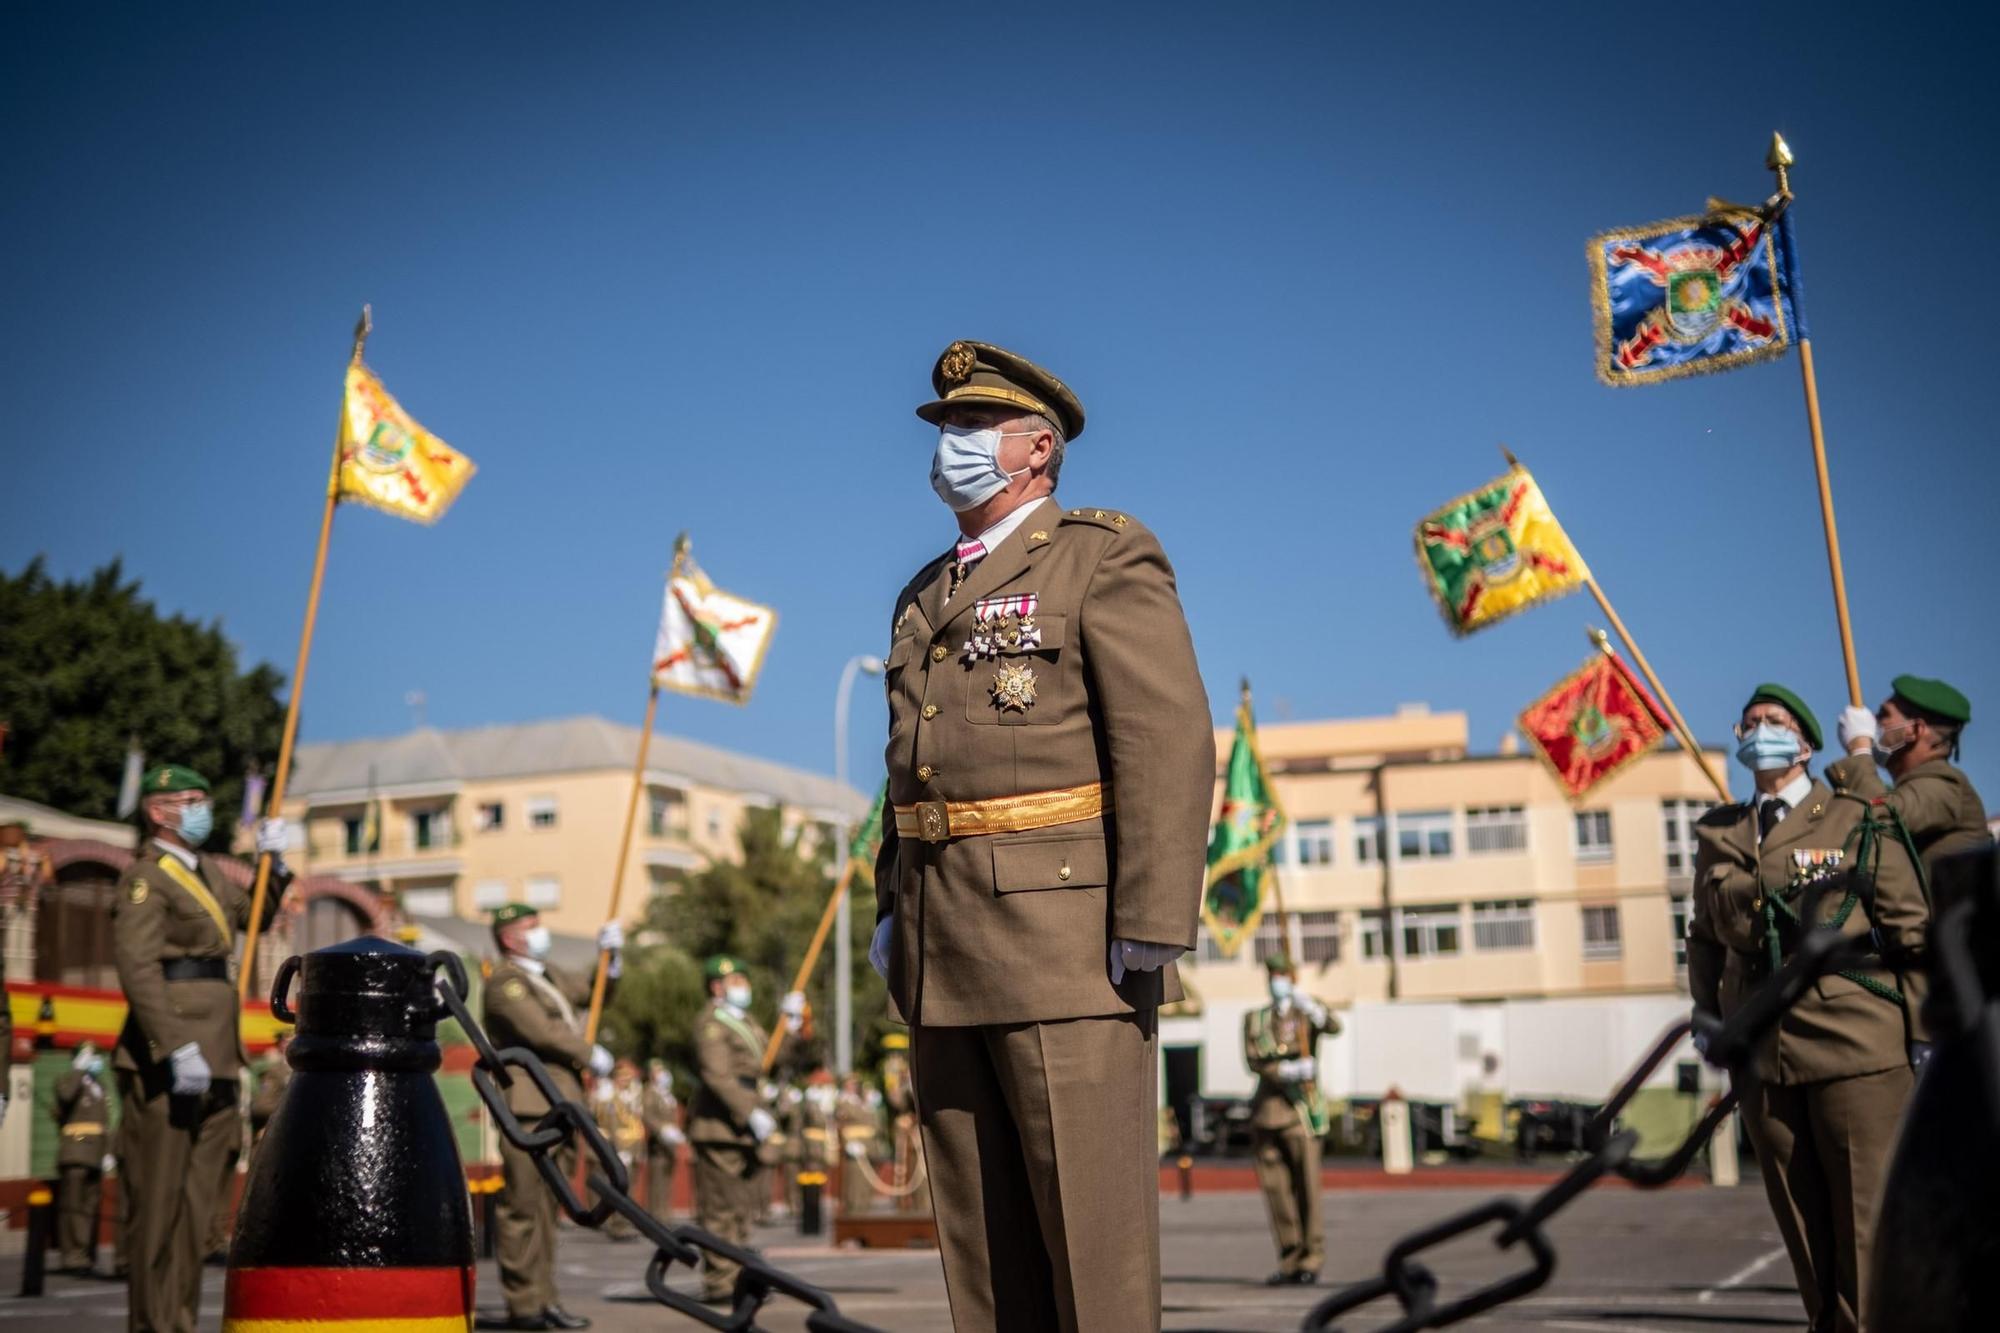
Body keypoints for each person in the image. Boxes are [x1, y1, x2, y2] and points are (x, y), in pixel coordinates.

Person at [870, 340, 1214, 1333]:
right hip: (943, 944)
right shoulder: (923, 590)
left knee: (1090, 1251)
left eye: (973, 430)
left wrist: (1150, 914)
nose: (952, 448)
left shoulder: (1100, 553)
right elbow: (909, 767)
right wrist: (891, 908)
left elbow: (1162, 734)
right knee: (984, 1251)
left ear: (1035, 449)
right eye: (947, 431)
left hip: (1065, 940)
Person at [1685, 684, 1931, 1333]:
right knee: (1801, 1226)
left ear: (1805, 745)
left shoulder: (1851, 814)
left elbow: (1910, 927)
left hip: (1856, 1044)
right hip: (1763, 1049)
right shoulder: (1719, 829)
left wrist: (1926, 1033)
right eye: (1750, 720)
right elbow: (1704, 936)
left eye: (1775, 721)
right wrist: (1706, 1014)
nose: (1758, 728)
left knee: (1865, 1223)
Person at [112, 764, 289, 1333]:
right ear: (158, 811)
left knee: (198, 1213)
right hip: (172, 1055)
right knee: (158, 1207)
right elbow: (138, 967)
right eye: (190, 800)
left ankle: (181, 1321)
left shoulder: (207, 870)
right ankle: (152, 1324)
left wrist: (273, 865)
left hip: (217, 1056)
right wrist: (171, 1045)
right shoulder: (146, 878)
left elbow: (255, 917)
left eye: (204, 799)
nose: (201, 809)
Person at [481, 903, 621, 1331]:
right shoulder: (507, 983)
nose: (541, 932)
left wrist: (611, 961)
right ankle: (524, 1304)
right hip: (528, 1105)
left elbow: (593, 992)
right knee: (523, 1206)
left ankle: (546, 1300)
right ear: (510, 937)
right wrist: (587, 1052)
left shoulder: (549, 976)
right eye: (531, 926)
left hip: (560, 1102)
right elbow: (539, 1031)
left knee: (546, 1210)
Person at [688, 955, 803, 1305]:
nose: (743, 986)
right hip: (720, 1125)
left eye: (743, 979)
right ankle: (721, 1282)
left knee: (739, 1209)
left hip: (743, 1126)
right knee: (720, 1209)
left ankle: (737, 1274)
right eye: (735, 981)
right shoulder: (712, 1022)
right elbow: (717, 1074)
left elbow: (769, 1061)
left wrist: (792, 1026)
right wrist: (750, 1110)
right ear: (716, 987)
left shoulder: (745, 1021)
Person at [1243, 953, 1340, 1287]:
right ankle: (1289, 1259)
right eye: (1273, 974)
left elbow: (1333, 1026)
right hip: (1267, 1113)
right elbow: (1254, 1060)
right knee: (1277, 1192)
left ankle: (1311, 1259)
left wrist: (1313, 1006)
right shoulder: (1255, 1018)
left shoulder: (1305, 1013)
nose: (1277, 980)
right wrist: (1285, 1070)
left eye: (1283, 974)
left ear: (1293, 977)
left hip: (1301, 1114)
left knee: (1308, 1190)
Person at [1834, 675, 1991, 877]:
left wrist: (1860, 750)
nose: (1874, 722)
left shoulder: (1945, 787)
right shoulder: (1910, 789)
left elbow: (1882, 816)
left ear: (1915, 730)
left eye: (1884, 714)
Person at [0, 817, 52, 1120]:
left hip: (24, 911)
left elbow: (47, 876)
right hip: (6, 910)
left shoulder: (32, 855)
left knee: (19, 954)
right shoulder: (5, 854)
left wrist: (32, 857)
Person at [53, 1042, 112, 1274]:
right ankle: (72, 1256)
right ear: (78, 1058)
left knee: (89, 1207)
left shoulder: (99, 1087)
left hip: (95, 1154)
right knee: (73, 1206)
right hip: (75, 1152)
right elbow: (65, 1096)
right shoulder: (67, 1081)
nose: (94, 1060)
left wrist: (108, 1151)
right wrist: (78, 1069)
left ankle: (84, 1254)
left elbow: (104, 1123)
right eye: (89, 1056)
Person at [594, 1059, 648, 1241]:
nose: (626, 1080)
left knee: (630, 1188)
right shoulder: (610, 1098)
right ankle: (617, 1225)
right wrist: (617, 1149)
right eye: (623, 1077)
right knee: (619, 1187)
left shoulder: (631, 1097)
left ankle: (625, 1222)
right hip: (619, 1147)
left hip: (632, 1147)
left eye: (628, 1078)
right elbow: (610, 1123)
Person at [641, 1060, 685, 1220]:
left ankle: (665, 1212)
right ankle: (655, 1214)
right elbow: (647, 1115)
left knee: (666, 1180)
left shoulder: (667, 1094)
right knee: (657, 1181)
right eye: (658, 1071)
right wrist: (662, 1129)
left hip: (669, 1145)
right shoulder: (650, 1093)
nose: (662, 1074)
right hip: (658, 1144)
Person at [835, 1073, 879, 1217]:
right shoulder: (843, 1102)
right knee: (854, 1180)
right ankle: (853, 1211)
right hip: (854, 1145)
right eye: (850, 1083)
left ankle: (864, 1209)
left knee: (866, 1181)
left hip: (868, 1146)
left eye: (855, 1084)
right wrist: (849, 1143)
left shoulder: (863, 1102)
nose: (853, 1086)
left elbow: (874, 1125)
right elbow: (841, 1125)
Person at [249, 1032, 291, 1147]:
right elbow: (251, 1073)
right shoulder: (270, 1063)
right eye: (285, 1042)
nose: (287, 1045)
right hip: (270, 1110)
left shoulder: (292, 1064)